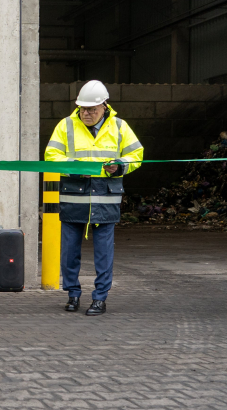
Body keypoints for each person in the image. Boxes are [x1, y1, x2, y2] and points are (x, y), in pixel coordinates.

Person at [45, 80, 143, 316]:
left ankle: (100, 298)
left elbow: (136, 154)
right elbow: (51, 155)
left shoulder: (120, 127)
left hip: (105, 200)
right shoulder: (66, 125)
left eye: (92, 109)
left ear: (104, 106)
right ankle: (72, 294)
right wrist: (76, 166)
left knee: (104, 255)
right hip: (74, 199)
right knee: (69, 252)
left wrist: (119, 166)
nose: (86, 113)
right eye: (82, 109)